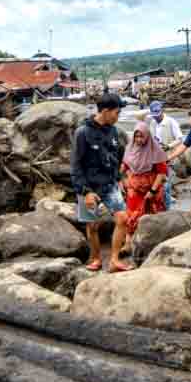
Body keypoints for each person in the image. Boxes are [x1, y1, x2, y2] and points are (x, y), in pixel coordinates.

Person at [71, 93, 133, 272]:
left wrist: (120, 178)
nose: (118, 116)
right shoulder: (82, 133)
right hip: (88, 187)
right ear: (105, 111)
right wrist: (85, 191)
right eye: (117, 112)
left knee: (123, 218)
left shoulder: (113, 131)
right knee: (92, 225)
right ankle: (96, 257)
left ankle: (114, 260)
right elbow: (76, 165)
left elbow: (116, 157)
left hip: (109, 184)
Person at [120, 121, 168, 250]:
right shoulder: (130, 148)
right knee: (131, 214)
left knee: (153, 214)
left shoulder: (155, 150)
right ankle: (128, 243)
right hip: (134, 188)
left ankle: (154, 242)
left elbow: (161, 173)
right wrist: (118, 178)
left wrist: (152, 191)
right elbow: (125, 165)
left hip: (152, 188)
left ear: (147, 136)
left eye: (141, 136)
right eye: (136, 136)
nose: (138, 140)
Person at [146, 101, 183, 209]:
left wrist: (169, 146)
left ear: (162, 111)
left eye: (157, 114)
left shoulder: (171, 122)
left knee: (166, 183)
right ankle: (165, 202)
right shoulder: (152, 123)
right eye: (154, 115)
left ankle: (168, 206)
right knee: (160, 182)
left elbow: (180, 139)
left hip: (169, 157)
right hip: (156, 158)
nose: (156, 117)